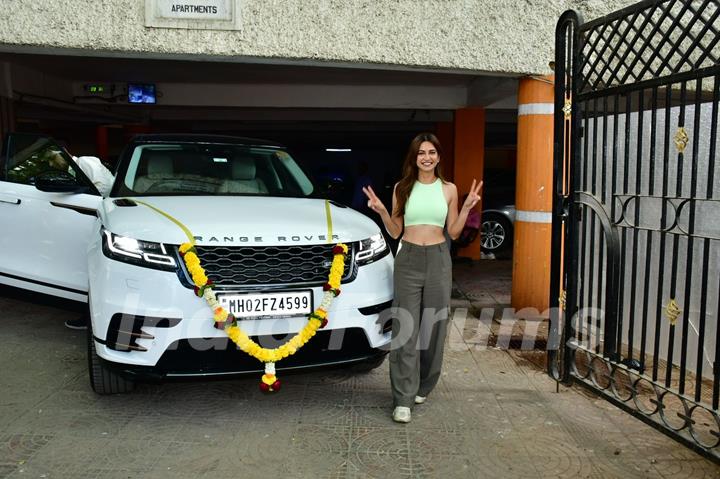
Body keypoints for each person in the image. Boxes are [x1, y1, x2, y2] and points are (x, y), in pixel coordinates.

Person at [363, 132, 482, 423]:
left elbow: (453, 233)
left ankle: (424, 384)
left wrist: (466, 208)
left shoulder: (449, 189)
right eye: (420, 153)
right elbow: (394, 231)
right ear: (414, 158)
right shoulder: (403, 188)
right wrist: (381, 211)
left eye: (431, 152)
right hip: (409, 259)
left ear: (439, 156)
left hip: (439, 258)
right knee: (406, 327)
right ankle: (402, 397)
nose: (426, 157)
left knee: (434, 325)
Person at [48, 146, 114, 330]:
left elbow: (104, 187)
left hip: (104, 216)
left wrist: (86, 201)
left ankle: (91, 320)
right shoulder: (71, 170)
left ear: (64, 153)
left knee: (96, 266)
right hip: (94, 216)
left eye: (54, 159)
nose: (52, 164)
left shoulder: (85, 160)